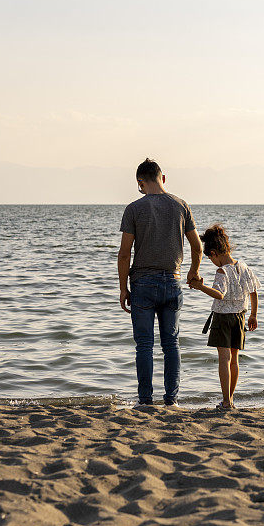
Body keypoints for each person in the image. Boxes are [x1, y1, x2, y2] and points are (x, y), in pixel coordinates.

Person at [118, 158, 202, 408]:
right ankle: (171, 400)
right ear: (163, 178)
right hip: (173, 281)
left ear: (140, 183)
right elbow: (197, 247)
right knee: (171, 344)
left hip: (142, 283)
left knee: (144, 345)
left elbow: (124, 254)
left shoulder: (134, 209)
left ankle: (145, 401)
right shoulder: (181, 206)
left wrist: (123, 288)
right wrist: (192, 273)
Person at [188, 223, 261, 410]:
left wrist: (200, 287)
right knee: (234, 360)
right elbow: (253, 291)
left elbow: (219, 294)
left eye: (210, 258)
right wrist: (253, 315)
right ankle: (231, 399)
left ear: (213, 253)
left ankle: (226, 401)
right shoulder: (243, 267)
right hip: (239, 317)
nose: (211, 262)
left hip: (222, 318)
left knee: (224, 359)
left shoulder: (222, 271)